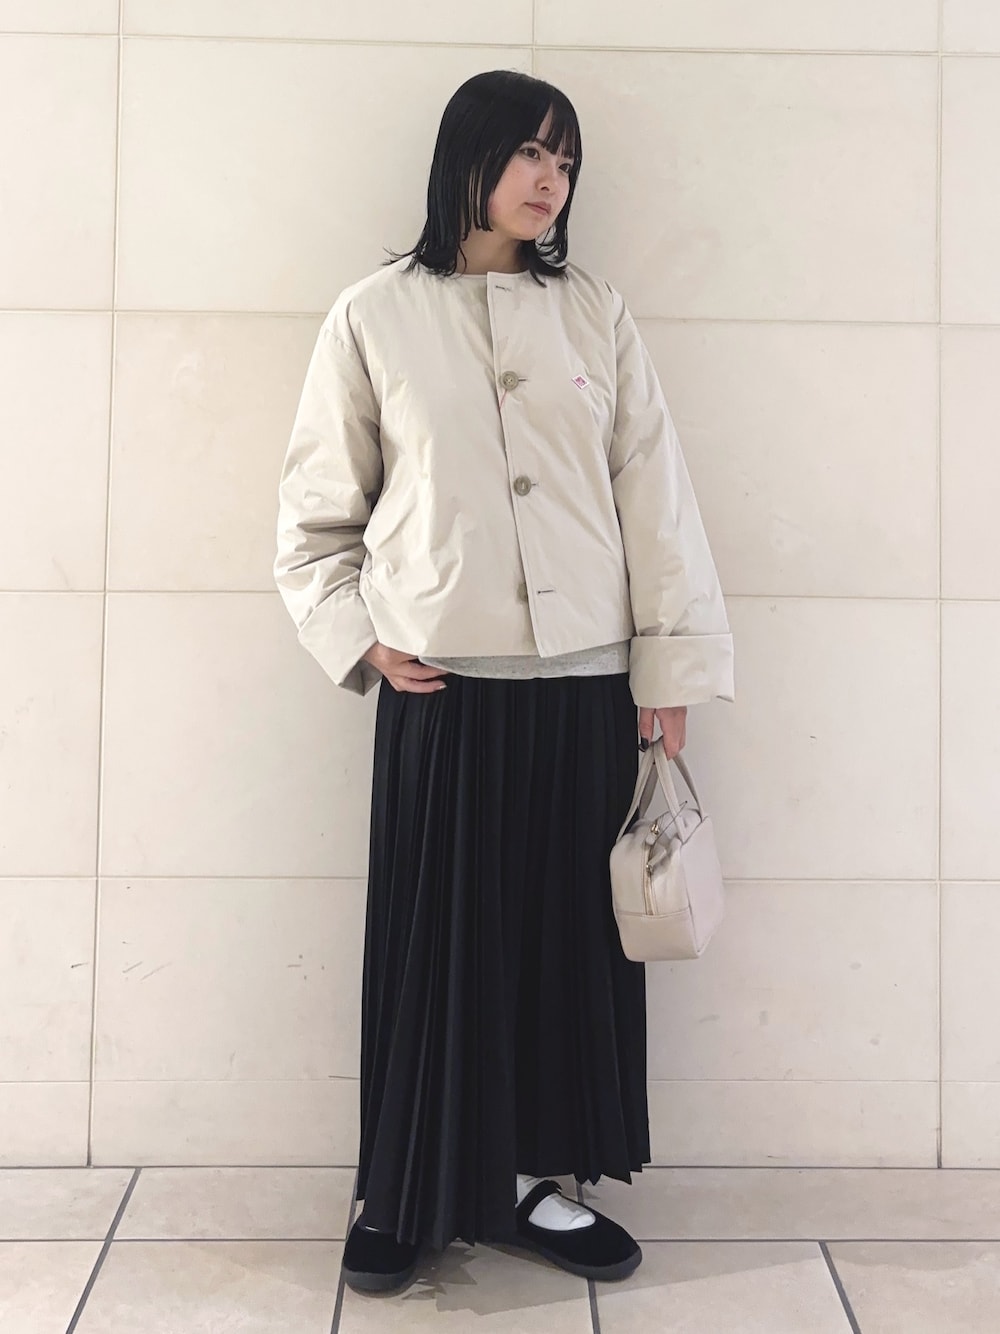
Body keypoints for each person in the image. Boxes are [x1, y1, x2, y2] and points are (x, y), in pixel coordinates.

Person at [273, 68, 734, 1296]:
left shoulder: (595, 313)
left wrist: (669, 665)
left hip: (586, 686)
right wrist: (358, 636)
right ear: (466, 158)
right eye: (529, 152)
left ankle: (531, 1176)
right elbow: (315, 517)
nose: (549, 180)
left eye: (565, 160)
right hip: (443, 689)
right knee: (438, 952)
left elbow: (655, 497)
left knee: (557, 947)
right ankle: (402, 1187)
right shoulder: (374, 314)